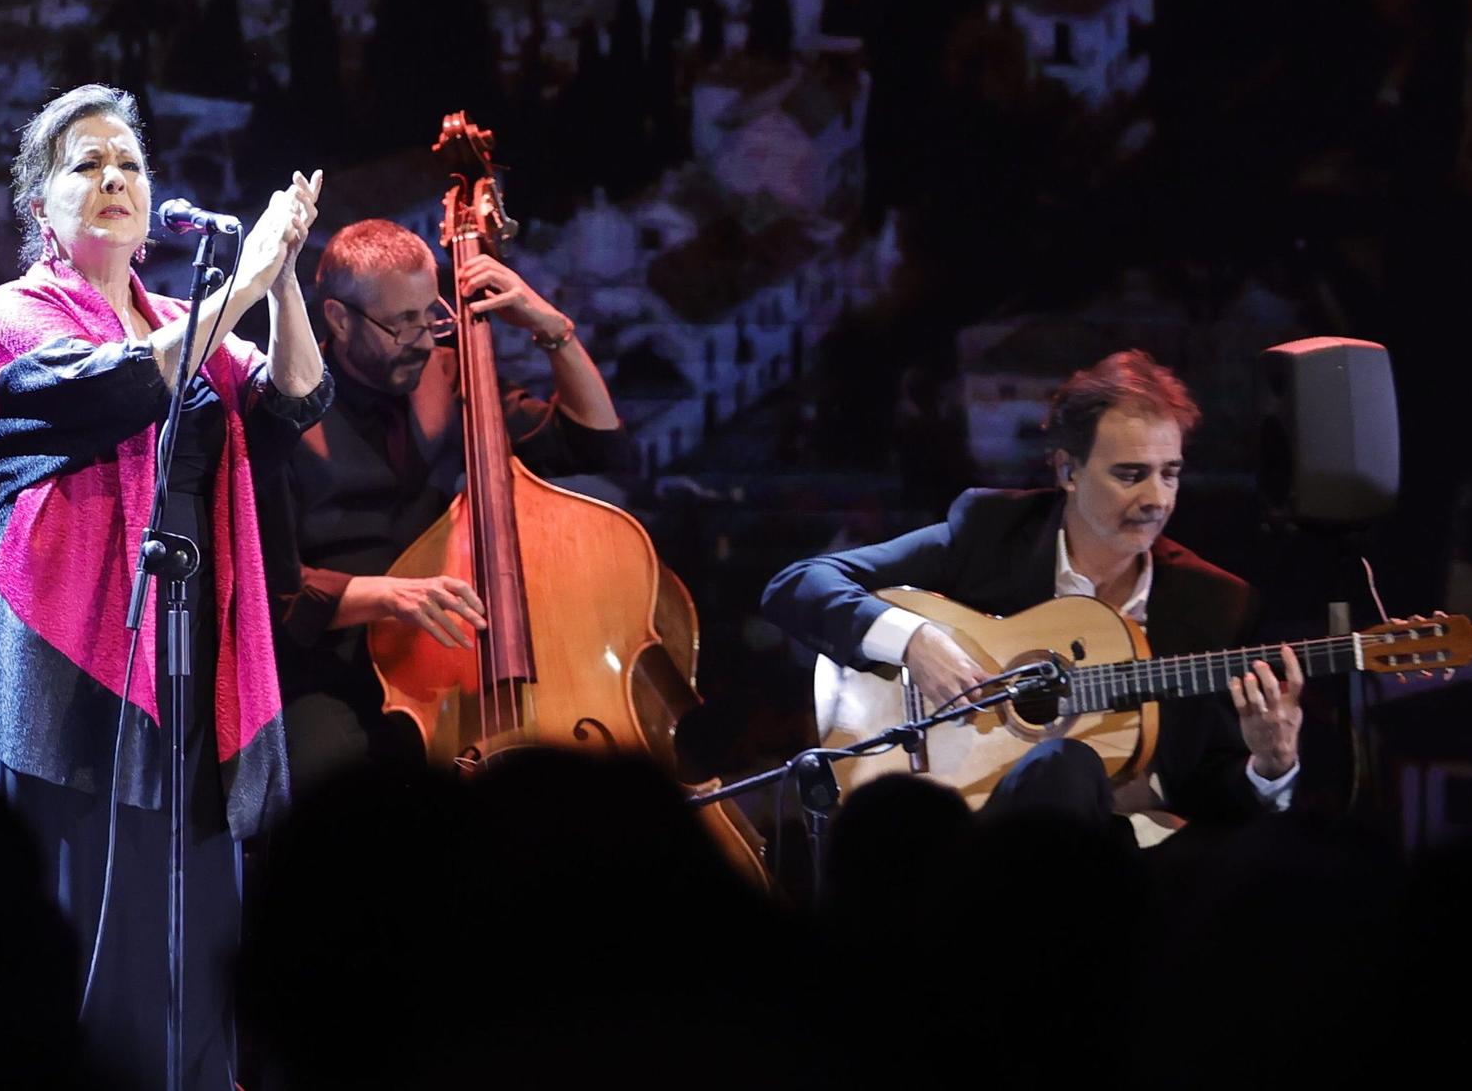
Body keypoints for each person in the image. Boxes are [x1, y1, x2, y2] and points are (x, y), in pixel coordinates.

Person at [0, 84, 332, 1087]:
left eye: (128, 162)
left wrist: (282, 275)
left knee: (195, 909)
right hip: (68, 653)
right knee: (87, 910)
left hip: (194, 644)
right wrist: (242, 284)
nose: (114, 179)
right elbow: (127, 383)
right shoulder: (16, 311)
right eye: (85, 164)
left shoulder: (186, 313)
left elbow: (297, 399)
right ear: (42, 208)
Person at [761, 349, 1303, 831]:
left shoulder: (1217, 605)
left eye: (1170, 473)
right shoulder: (993, 531)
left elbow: (1217, 796)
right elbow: (800, 584)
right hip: (971, 836)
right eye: (1130, 474)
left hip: (1141, 864)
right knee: (1061, 766)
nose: (1156, 498)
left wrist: (1270, 767)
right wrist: (915, 642)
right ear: (1069, 470)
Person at [256, 219, 632, 791]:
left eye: (432, 313)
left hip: (444, 657)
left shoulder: (453, 375)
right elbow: (268, 586)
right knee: (333, 791)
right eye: (402, 324)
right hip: (332, 664)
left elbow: (596, 441)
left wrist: (553, 328)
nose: (427, 339)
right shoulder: (282, 406)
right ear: (338, 318)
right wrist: (387, 595)